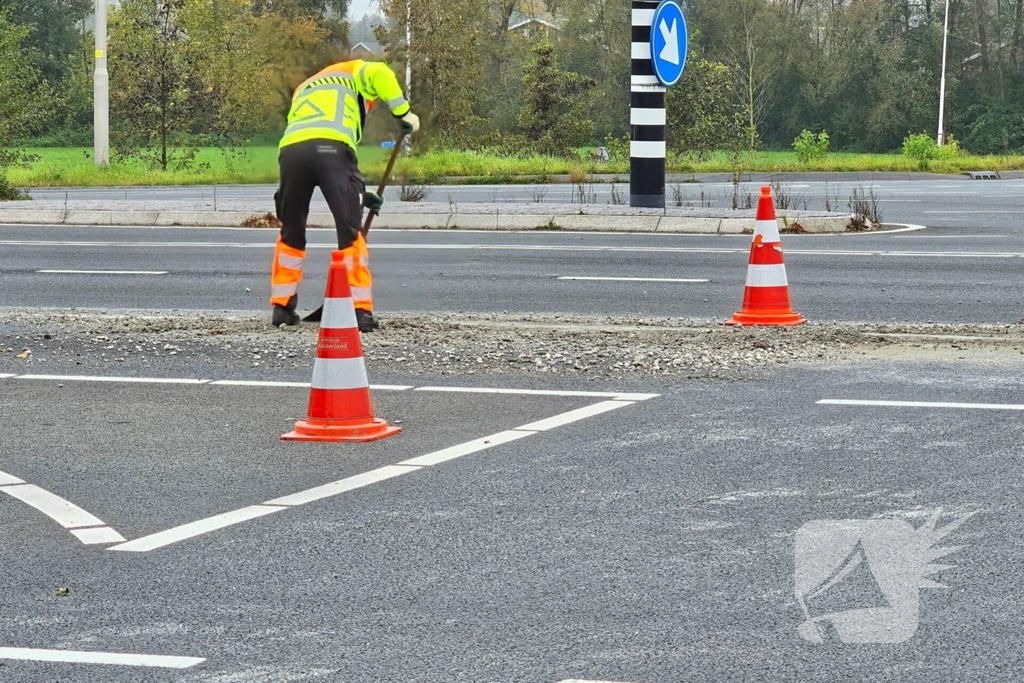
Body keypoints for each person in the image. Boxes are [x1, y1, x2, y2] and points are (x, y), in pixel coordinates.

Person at [270, 58, 419, 331]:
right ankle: (360, 311)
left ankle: (282, 307)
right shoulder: (356, 71)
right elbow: (380, 72)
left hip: (291, 151)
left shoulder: (305, 87)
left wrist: (360, 195)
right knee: (350, 232)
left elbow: (314, 144)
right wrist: (403, 112)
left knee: (291, 230)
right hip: (332, 146)